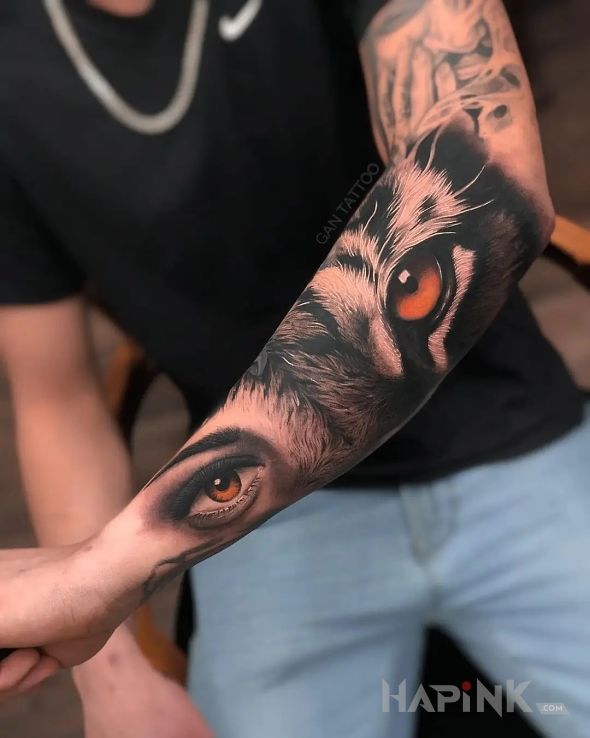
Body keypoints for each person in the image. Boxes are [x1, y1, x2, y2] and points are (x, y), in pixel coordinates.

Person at [0, 1, 588, 737]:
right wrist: (112, 674)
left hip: (509, 433)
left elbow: (487, 186)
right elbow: (58, 401)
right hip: (272, 530)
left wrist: (108, 569)